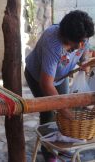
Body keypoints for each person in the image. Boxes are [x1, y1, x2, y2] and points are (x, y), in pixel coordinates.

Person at [25, 10, 94, 162]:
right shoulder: (53, 43)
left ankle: (63, 143)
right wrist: (62, 108)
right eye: (80, 42)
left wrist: (84, 64)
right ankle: (49, 153)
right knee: (50, 112)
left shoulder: (82, 37)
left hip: (60, 77)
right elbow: (46, 83)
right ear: (67, 37)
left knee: (66, 106)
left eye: (85, 40)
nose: (83, 44)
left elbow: (84, 56)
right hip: (37, 77)